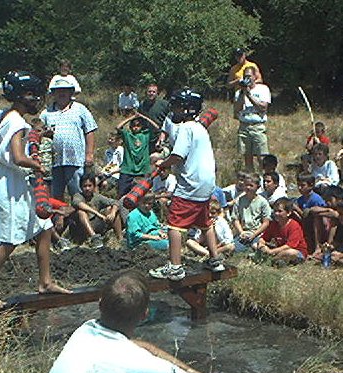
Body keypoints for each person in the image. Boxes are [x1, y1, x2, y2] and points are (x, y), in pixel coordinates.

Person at [0, 71, 71, 308]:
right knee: (9, 240)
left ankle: (45, 281)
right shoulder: (16, 122)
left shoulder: (13, 118)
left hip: (15, 181)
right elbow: (18, 156)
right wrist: (36, 164)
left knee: (44, 227)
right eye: (30, 94)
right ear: (18, 96)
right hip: (9, 185)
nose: (35, 99)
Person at [47, 270, 205, 373]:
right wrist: (190, 372)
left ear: (100, 304)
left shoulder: (84, 331)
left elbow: (137, 346)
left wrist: (187, 369)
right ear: (144, 315)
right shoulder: (139, 361)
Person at [149, 89, 225, 281]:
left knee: (174, 225)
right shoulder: (200, 127)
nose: (173, 110)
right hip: (207, 184)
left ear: (186, 109)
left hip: (190, 184)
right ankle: (215, 260)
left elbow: (177, 156)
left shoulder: (186, 128)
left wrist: (162, 163)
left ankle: (175, 267)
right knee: (205, 223)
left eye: (175, 106)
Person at [40, 78, 98, 200]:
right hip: (54, 162)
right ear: (54, 94)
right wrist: (45, 133)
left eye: (65, 90)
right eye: (58, 91)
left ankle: (80, 218)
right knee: (55, 196)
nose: (62, 93)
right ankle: (59, 218)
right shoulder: (46, 113)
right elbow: (37, 133)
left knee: (78, 195)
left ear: (71, 92)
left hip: (76, 160)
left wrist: (89, 154)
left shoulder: (80, 109)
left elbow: (90, 130)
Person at [233, 66, 271, 171]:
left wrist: (249, 95)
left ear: (255, 77)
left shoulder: (263, 89)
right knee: (247, 156)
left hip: (257, 126)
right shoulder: (239, 92)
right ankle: (251, 178)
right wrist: (242, 93)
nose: (247, 79)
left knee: (262, 156)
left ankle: (264, 178)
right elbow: (237, 110)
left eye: (249, 76)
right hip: (244, 127)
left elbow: (263, 108)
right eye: (245, 76)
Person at [71, 173, 122, 248]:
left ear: (94, 186)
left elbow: (115, 202)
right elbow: (78, 203)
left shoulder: (97, 197)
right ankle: (94, 238)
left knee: (111, 209)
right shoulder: (78, 196)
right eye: (85, 186)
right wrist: (97, 214)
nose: (87, 188)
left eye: (90, 186)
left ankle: (120, 239)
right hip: (81, 227)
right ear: (81, 187)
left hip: (96, 224)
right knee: (81, 212)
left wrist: (113, 213)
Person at [116, 112, 161, 197]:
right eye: (133, 125)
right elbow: (118, 127)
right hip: (128, 169)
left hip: (142, 169)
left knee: (142, 194)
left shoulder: (145, 135)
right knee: (122, 194)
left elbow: (157, 128)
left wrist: (144, 117)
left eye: (138, 125)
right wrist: (131, 118)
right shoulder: (127, 135)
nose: (136, 128)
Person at [258, 198, 308, 264]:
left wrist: (271, 251)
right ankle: (277, 259)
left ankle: (273, 259)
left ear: (288, 213)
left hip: (297, 252)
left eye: (280, 211)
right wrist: (261, 245)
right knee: (255, 245)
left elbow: (289, 246)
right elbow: (264, 238)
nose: (276, 213)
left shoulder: (294, 225)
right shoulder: (273, 224)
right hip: (279, 249)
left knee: (289, 252)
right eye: (275, 211)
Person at [232, 173, 271, 253]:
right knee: (234, 248)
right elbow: (236, 219)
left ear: (258, 187)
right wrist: (241, 232)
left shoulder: (262, 202)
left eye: (251, 185)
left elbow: (266, 222)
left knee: (257, 247)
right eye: (246, 185)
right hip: (243, 232)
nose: (248, 187)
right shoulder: (239, 201)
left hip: (257, 233)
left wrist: (254, 234)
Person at [292, 173, 326, 255]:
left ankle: (317, 246)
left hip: (318, 225)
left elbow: (307, 215)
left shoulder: (316, 199)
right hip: (306, 223)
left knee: (316, 218)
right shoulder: (301, 199)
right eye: (298, 185)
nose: (300, 188)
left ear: (311, 185)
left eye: (302, 185)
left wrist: (297, 209)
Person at [138, 84, 169, 153]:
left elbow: (169, 118)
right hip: (146, 137)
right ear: (146, 92)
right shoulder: (142, 105)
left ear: (157, 93)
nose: (151, 93)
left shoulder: (164, 104)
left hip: (160, 136)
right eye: (149, 91)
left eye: (153, 92)